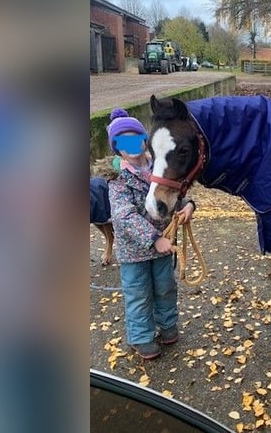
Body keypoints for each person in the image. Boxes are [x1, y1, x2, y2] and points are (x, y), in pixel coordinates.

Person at [106, 108, 196, 360]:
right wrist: (154, 239)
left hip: (163, 249)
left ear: (144, 139)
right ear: (117, 148)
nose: (132, 145)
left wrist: (188, 205)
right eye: (124, 142)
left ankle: (168, 326)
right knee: (138, 295)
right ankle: (142, 337)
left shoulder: (158, 167)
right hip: (135, 253)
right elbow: (124, 216)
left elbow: (171, 193)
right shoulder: (118, 179)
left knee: (166, 288)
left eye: (136, 138)